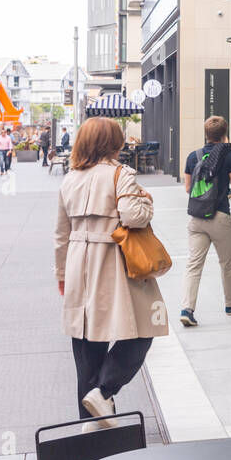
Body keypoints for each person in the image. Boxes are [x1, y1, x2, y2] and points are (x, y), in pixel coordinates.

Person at [54, 116, 166, 424]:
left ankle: (89, 428)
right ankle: (104, 393)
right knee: (143, 328)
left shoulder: (69, 179)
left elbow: (60, 234)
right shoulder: (121, 174)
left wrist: (61, 274)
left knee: (86, 345)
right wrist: (148, 203)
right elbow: (134, 217)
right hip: (113, 263)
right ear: (112, 143)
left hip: (78, 264)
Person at [179, 116, 231, 328]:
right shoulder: (229, 155)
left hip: (197, 217)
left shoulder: (194, 156)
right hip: (219, 216)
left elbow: (187, 188)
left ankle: (187, 309)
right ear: (224, 133)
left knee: (193, 265)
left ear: (206, 134)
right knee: (227, 264)